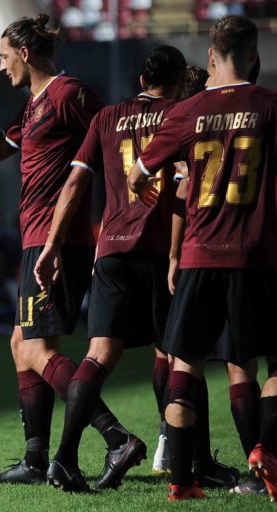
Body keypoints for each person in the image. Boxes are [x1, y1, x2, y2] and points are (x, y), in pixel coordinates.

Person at [0, 14, 140, 488]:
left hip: (60, 241)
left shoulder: (69, 93)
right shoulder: (32, 106)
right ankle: (35, 461)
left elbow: (113, 139)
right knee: (22, 345)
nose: (0, 67)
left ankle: (116, 437)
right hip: (35, 238)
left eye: (4, 56)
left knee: (34, 348)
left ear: (25, 54)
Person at [128, 15, 277, 501]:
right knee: (267, 365)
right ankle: (264, 454)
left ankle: (182, 481)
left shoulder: (187, 112)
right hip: (255, 256)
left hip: (197, 256)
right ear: (254, 57)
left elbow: (138, 176)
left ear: (211, 57)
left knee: (185, 367)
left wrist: (175, 181)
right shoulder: (270, 106)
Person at [34, 45, 187, 492]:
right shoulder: (183, 114)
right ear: (178, 83)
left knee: (98, 355)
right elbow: (183, 185)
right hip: (161, 250)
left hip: (112, 249)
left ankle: (62, 460)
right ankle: (183, 461)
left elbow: (76, 181)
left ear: (141, 80)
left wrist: (52, 243)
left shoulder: (107, 118)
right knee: (176, 355)